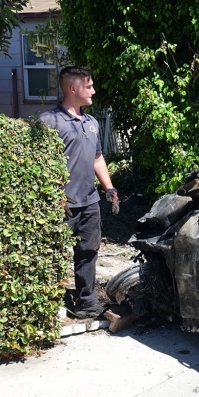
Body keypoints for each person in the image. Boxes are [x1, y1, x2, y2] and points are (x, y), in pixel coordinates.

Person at [39, 66, 118, 318]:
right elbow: (40, 164)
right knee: (52, 254)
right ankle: (48, 306)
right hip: (62, 204)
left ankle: (86, 302)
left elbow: (97, 159)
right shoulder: (49, 122)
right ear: (73, 88)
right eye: (89, 85)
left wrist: (109, 187)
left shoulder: (91, 123)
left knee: (88, 252)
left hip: (89, 202)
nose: (93, 90)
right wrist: (56, 195)